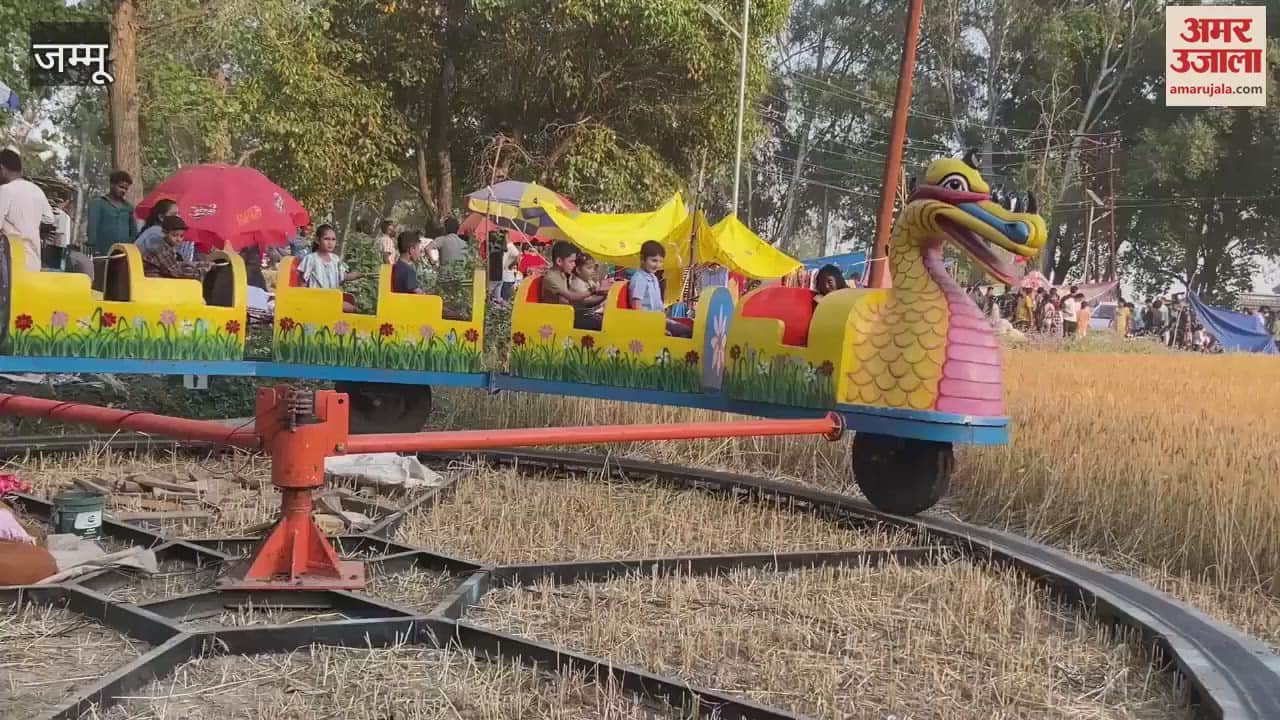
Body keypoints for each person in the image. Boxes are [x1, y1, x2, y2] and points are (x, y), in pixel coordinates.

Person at [0, 149, 54, 272]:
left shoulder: (5, 190)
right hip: (34, 262)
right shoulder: (37, 190)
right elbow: (49, 220)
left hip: (11, 264)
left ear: (2, 169)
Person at [540, 241, 610, 330]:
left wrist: (603, 293)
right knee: (600, 324)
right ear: (559, 261)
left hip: (567, 313)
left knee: (602, 319)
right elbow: (572, 297)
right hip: (557, 317)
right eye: (571, 261)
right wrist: (592, 291)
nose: (574, 265)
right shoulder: (551, 277)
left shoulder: (562, 274)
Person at [298, 224, 366, 312]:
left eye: (333, 239)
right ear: (317, 240)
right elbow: (303, 283)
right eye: (326, 239)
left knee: (354, 308)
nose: (330, 243)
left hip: (332, 298)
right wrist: (302, 304)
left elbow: (344, 276)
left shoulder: (335, 259)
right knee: (349, 308)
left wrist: (360, 274)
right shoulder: (311, 258)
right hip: (317, 300)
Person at [630, 240, 691, 338]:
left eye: (661, 261)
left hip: (658, 320)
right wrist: (655, 329)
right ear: (642, 259)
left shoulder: (653, 278)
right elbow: (636, 306)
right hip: (647, 323)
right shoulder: (639, 279)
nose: (657, 265)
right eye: (654, 260)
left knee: (687, 330)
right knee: (684, 333)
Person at [86, 170, 137, 256]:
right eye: (121, 187)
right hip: (102, 253)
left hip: (123, 253)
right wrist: (93, 248)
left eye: (126, 189)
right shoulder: (98, 204)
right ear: (112, 185)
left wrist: (130, 244)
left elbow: (134, 231)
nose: (123, 191)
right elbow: (92, 229)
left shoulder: (129, 207)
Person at [140, 216, 208, 280]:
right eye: (174, 235)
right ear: (164, 232)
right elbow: (175, 272)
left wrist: (202, 265)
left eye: (181, 236)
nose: (178, 239)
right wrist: (202, 272)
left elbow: (175, 265)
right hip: (154, 283)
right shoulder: (160, 248)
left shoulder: (168, 248)